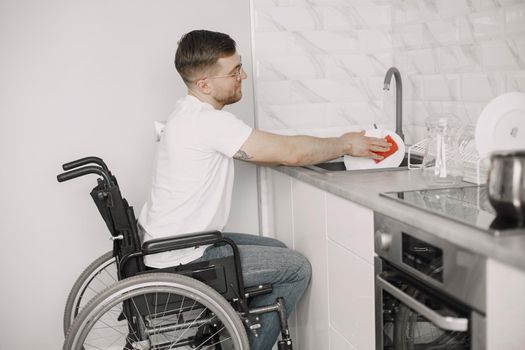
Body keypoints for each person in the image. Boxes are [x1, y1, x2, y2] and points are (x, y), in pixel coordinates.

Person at [138, 29, 391, 350]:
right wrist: (345, 144)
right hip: (186, 257)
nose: (242, 76)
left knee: (276, 246)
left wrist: (286, 152)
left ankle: (237, 334)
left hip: (171, 245)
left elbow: (265, 149)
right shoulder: (208, 122)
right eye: (234, 72)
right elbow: (290, 152)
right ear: (204, 84)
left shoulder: (188, 113)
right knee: (297, 268)